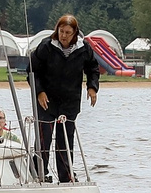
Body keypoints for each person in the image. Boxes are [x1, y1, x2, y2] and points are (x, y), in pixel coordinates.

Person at [31, 14, 100, 182]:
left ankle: (65, 175)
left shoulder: (83, 48)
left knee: (65, 141)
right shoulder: (46, 46)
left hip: (69, 101)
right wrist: (39, 91)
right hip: (46, 100)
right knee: (43, 138)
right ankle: (39, 173)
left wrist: (92, 87)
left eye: (67, 32)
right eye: (61, 31)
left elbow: (93, 69)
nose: (63, 35)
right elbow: (32, 71)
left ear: (74, 32)